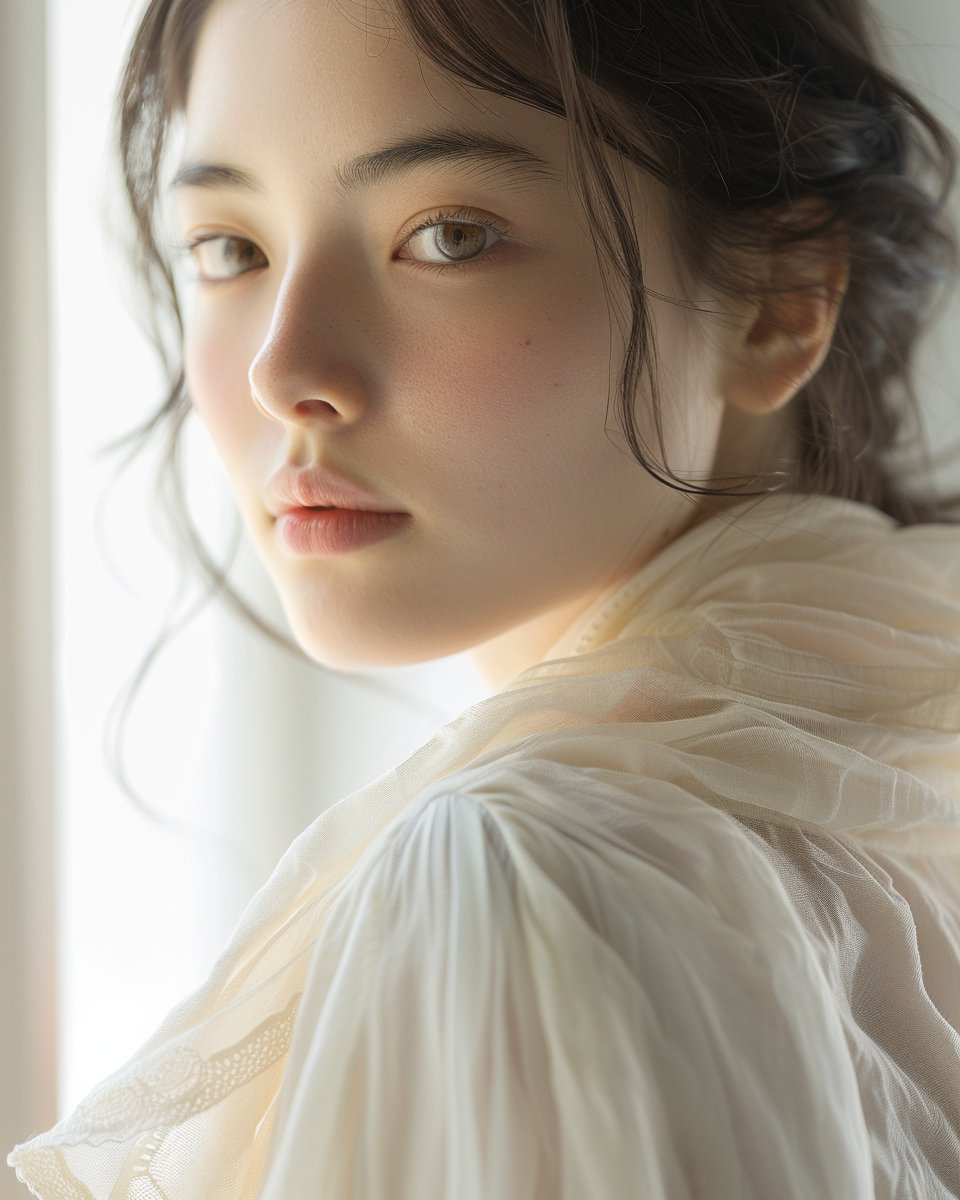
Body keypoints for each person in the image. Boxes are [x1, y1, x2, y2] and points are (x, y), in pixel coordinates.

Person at [9, 0, 960, 1195]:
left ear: (779, 297)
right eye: (230, 248)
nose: (286, 369)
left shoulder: (524, 878)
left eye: (448, 235)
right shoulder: (899, 781)